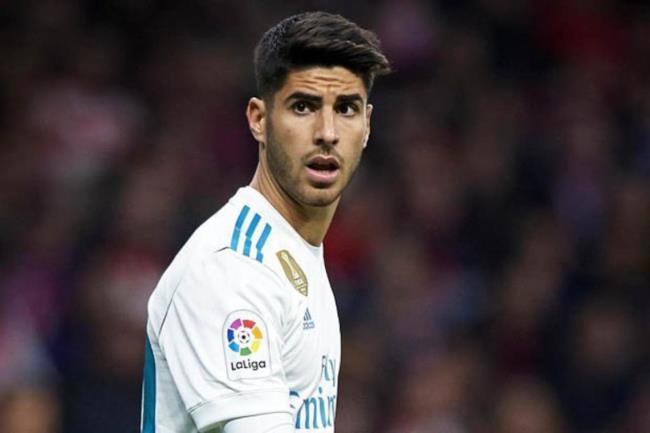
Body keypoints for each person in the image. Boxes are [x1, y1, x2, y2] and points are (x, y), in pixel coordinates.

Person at [140, 11, 390, 433]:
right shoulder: (230, 267)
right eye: (303, 106)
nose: (327, 132)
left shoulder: (294, 253)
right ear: (259, 119)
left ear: (366, 125)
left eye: (346, 108)